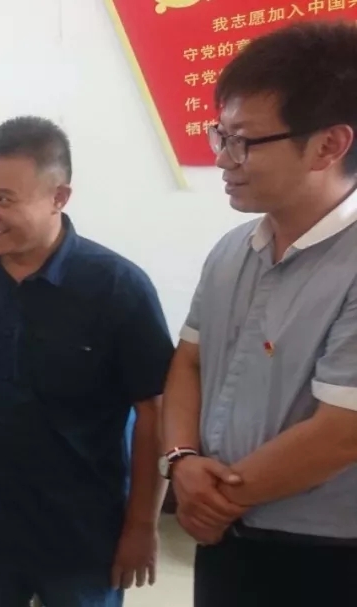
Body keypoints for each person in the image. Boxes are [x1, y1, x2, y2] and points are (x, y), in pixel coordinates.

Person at [0, 117, 174, 607]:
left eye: (4, 199)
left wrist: (142, 525)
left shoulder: (118, 288)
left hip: (81, 528)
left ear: (59, 197)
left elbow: (154, 412)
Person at [161, 21, 357, 607]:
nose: (223, 158)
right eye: (220, 135)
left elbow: (341, 432)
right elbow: (188, 362)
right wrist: (182, 461)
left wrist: (212, 497)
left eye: (243, 141)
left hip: (326, 554)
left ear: (329, 145)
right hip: (225, 535)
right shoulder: (232, 250)